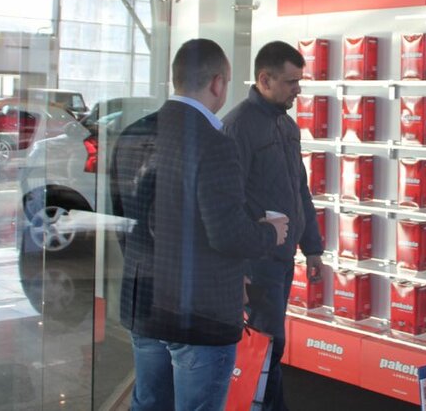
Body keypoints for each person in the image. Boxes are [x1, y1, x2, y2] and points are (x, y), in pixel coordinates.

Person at [110, 38, 289, 411]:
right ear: (218, 83)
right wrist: (271, 232)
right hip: (200, 315)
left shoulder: (133, 134)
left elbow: (127, 223)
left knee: (149, 405)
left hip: (144, 303)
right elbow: (227, 234)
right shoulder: (214, 143)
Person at [222, 41, 324, 411]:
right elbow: (228, 203)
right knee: (263, 347)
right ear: (265, 80)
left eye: (299, 81)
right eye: (291, 82)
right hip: (256, 262)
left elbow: (300, 190)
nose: (298, 89)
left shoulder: (287, 126)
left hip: (282, 259)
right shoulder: (237, 127)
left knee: (269, 346)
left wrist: (313, 248)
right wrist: (237, 271)